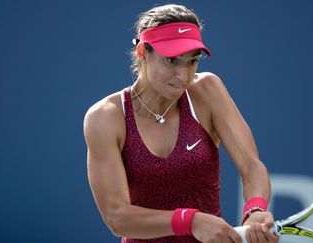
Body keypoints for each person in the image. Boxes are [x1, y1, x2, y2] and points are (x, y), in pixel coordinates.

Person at [83, 4, 279, 243]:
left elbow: (251, 166)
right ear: (143, 53)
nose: (183, 76)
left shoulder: (207, 91)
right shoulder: (105, 117)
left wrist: (255, 209)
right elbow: (117, 217)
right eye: (172, 61)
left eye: (192, 61)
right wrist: (190, 221)